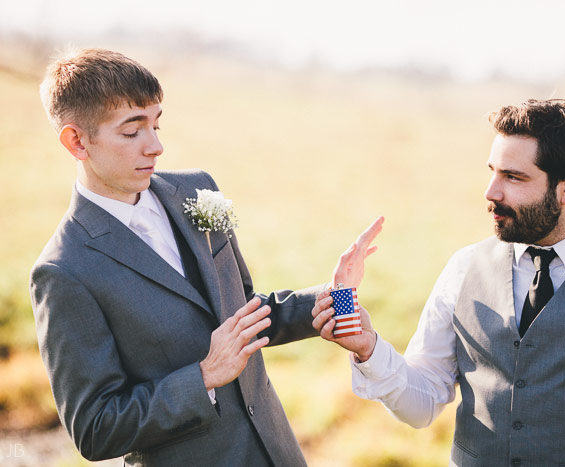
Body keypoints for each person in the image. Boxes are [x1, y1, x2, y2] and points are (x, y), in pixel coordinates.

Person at [30, 48, 382, 467]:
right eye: (132, 132)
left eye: (157, 124)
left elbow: (246, 312)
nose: (156, 146)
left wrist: (334, 298)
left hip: (277, 453)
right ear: (76, 141)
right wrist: (202, 377)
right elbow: (95, 428)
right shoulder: (63, 271)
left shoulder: (197, 190)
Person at [312, 99, 565, 466]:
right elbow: (422, 402)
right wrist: (369, 348)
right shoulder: (463, 269)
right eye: (492, 172)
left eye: (513, 177)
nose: (491, 192)